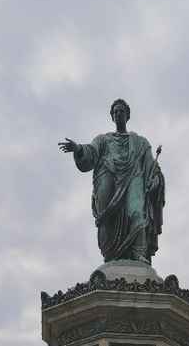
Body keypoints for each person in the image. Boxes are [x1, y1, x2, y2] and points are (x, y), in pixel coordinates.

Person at [58, 98, 165, 263]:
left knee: (136, 211)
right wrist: (78, 149)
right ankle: (110, 255)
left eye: (122, 111)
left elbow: (152, 167)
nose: (118, 114)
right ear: (112, 116)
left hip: (134, 178)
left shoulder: (141, 143)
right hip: (108, 177)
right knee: (106, 217)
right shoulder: (103, 140)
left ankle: (139, 253)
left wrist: (156, 179)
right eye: (115, 112)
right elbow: (91, 153)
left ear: (127, 115)